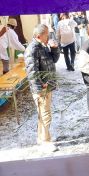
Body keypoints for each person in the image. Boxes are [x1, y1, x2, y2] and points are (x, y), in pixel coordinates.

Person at [24, 24, 60, 152]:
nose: (48, 36)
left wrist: (55, 48)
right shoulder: (33, 49)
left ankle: (41, 137)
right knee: (45, 114)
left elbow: (54, 60)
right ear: (39, 35)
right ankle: (45, 141)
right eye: (46, 34)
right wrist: (40, 87)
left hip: (47, 85)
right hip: (42, 88)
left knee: (43, 113)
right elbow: (32, 71)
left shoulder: (43, 46)